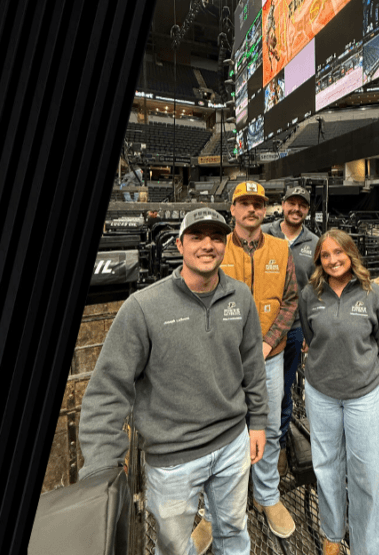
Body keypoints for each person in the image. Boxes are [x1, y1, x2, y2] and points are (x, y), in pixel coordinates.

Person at [79, 208, 267, 555]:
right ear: (179, 245)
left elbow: (252, 366)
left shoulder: (240, 297)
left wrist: (258, 423)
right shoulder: (143, 307)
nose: (207, 245)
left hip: (232, 445)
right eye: (197, 237)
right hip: (172, 460)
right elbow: (108, 389)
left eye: (215, 237)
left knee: (234, 531)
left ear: (226, 245)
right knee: (174, 548)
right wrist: (101, 468)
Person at [204, 180, 299, 541]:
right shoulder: (216, 248)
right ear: (232, 210)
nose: (252, 209)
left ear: (264, 210)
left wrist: (267, 343)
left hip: (269, 359)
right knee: (218, 432)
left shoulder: (280, 248)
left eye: (257, 204)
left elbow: (290, 301)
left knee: (269, 429)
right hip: (223, 361)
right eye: (244, 203)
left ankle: (267, 496)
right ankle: (214, 513)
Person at [299, 229, 379, 555]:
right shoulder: (310, 295)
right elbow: (311, 336)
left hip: (362, 395)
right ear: (319, 260)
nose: (333, 260)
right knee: (326, 467)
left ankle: (370, 547)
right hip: (321, 392)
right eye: (325, 255)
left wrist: (358, 366)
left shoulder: (373, 294)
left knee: (366, 473)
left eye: (338, 253)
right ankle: (332, 534)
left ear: (350, 254)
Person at [262, 185, 318, 476]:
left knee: (283, 389)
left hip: (294, 328)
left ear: (307, 210)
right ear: (282, 204)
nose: (296, 209)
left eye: (302, 205)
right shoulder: (264, 233)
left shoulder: (314, 242)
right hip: (259, 327)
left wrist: (310, 330)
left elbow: (315, 290)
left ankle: (280, 444)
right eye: (291, 203)